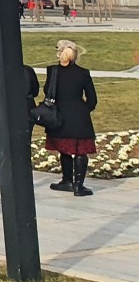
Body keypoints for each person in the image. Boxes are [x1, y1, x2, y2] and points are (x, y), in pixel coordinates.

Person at [43, 39, 99, 196]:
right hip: (80, 118)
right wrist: (84, 111)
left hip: (59, 116)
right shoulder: (83, 73)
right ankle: (79, 186)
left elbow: (48, 92)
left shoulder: (53, 71)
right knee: (81, 151)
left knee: (64, 150)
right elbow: (92, 99)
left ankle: (67, 180)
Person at [0, 58, 38, 187]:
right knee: (23, 143)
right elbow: (34, 91)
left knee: (2, 143)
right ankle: (22, 175)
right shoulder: (27, 70)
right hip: (24, 110)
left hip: (5, 110)